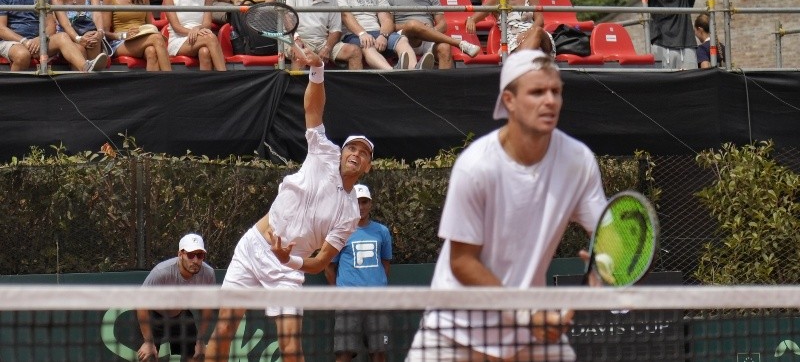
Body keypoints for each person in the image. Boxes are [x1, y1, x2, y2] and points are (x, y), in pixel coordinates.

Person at [405, 49, 607, 362]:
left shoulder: (577, 161)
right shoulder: (476, 166)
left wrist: (606, 269)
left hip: (528, 334)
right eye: (537, 92)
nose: (550, 101)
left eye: (556, 91)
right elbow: (462, 262)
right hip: (455, 328)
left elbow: (608, 234)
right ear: (509, 101)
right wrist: (526, 313)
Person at [204, 52, 374, 362]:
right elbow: (313, 107)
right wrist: (318, 69)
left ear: (367, 167)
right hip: (254, 246)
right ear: (341, 152)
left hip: (288, 267)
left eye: (364, 153)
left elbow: (322, 261)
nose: (356, 153)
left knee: (292, 350)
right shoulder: (324, 152)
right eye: (352, 147)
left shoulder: (350, 213)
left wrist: (291, 261)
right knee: (225, 328)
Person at [325, 184, 393, 362]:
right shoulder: (340, 231)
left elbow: (385, 264)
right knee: (344, 353)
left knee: (379, 352)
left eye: (364, 202)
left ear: (370, 204)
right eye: (357, 202)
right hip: (348, 302)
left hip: (377, 301)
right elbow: (329, 267)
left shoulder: (382, 231)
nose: (361, 207)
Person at [386, 0, 481, 69]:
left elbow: (442, 24)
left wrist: (430, 31)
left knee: (445, 48)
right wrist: (415, 26)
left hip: (428, 37)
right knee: (412, 25)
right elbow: (389, 26)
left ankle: (443, 85)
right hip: (403, 39)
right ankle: (459, 44)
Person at [136, 233, 215, 362]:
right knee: (148, 356)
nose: (195, 260)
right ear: (180, 254)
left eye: (200, 255)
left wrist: (200, 341)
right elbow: (141, 303)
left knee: (197, 355)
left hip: (180, 314)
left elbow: (207, 309)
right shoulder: (161, 272)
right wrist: (148, 342)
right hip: (154, 315)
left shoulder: (208, 274)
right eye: (190, 255)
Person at [283, 0, 363, 70]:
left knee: (355, 51)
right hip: (294, 38)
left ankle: (356, 88)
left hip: (321, 42)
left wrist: (327, 48)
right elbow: (287, 17)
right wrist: (296, 40)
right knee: (299, 54)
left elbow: (336, 30)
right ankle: (298, 87)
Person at [102, 0, 171, 71]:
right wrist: (124, 35)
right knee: (157, 39)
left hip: (142, 36)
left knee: (151, 52)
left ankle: (152, 88)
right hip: (120, 41)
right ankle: (173, 83)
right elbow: (104, 32)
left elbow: (150, 24)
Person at [163, 0, 227, 71]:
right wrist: (193, 32)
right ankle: (225, 77)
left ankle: (206, 88)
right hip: (178, 40)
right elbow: (176, 27)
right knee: (211, 38)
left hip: (200, 35)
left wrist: (196, 30)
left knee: (204, 52)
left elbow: (207, 23)